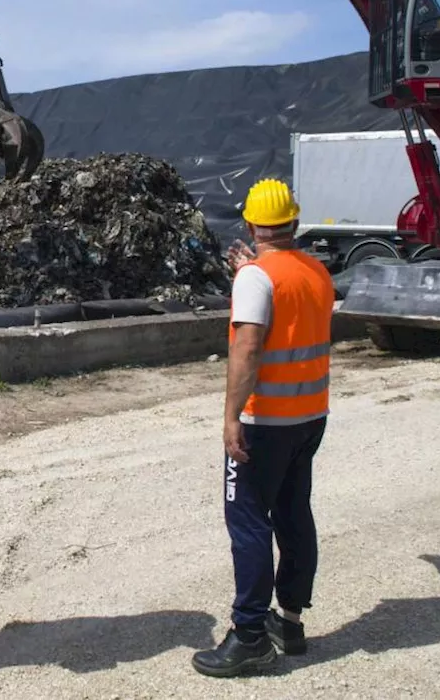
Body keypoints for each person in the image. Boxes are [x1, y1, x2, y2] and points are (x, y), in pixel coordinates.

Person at [192, 177, 334, 678]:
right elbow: (290, 309)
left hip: (264, 422)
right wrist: (250, 274)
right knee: (295, 511)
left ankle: (249, 634)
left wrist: (231, 417)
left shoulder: (256, 277)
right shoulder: (316, 270)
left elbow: (249, 347)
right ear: (293, 221)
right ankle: (289, 622)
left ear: (252, 224)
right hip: (310, 416)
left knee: (249, 522)